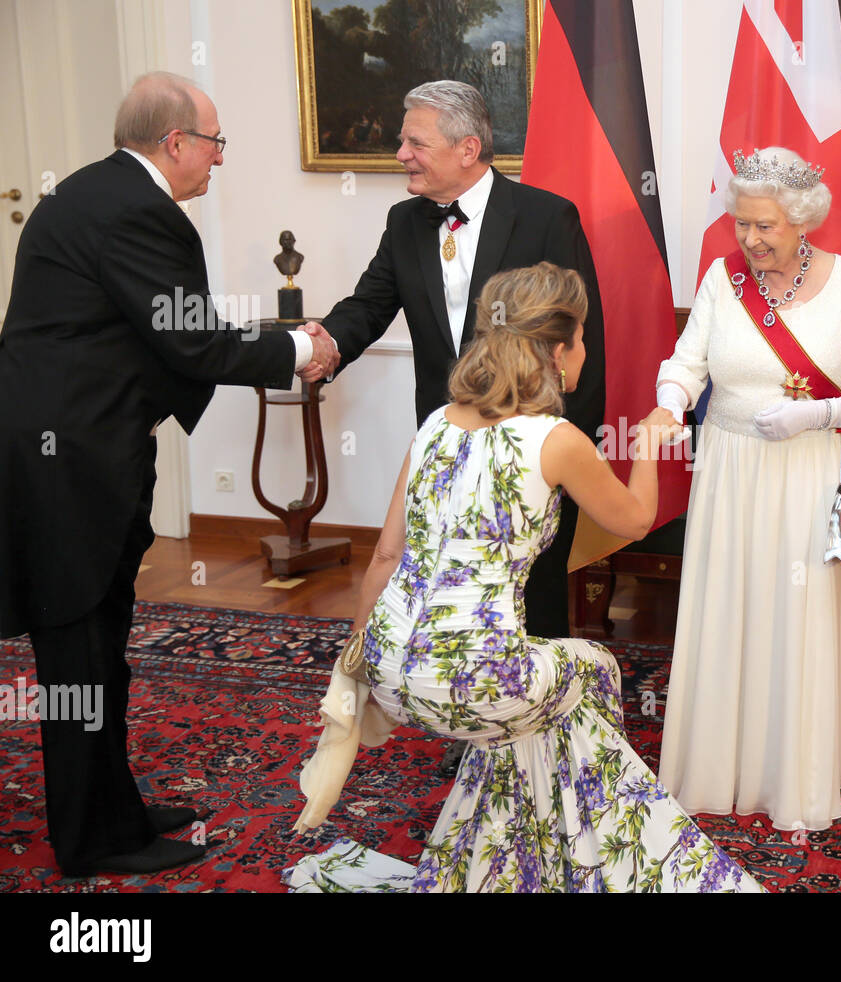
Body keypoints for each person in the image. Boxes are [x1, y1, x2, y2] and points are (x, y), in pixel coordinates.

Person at [286, 263, 761, 893]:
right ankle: (620, 865)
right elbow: (637, 518)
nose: (586, 350)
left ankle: (504, 859)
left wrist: (356, 662)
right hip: (472, 685)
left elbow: (382, 559)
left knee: (539, 711)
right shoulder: (556, 439)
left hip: (391, 671)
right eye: (583, 337)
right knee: (594, 668)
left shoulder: (435, 422)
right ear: (559, 352)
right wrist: (648, 443)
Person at [0, 71, 340, 877]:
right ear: (176, 142)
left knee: (102, 646)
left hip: (80, 448)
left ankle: (114, 811)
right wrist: (298, 347)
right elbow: (190, 343)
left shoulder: (99, 194)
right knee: (79, 658)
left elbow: (162, 336)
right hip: (68, 464)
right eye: (217, 143)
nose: (221, 159)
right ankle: (92, 842)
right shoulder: (136, 211)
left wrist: (276, 341)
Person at [307, 80, 604, 776]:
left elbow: (578, 343)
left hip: (529, 448)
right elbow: (368, 304)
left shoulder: (546, 216)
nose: (401, 153)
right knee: (450, 580)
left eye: (415, 142)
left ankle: (538, 744)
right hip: (446, 440)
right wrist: (320, 348)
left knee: (530, 582)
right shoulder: (404, 221)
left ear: (468, 148)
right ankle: (470, 729)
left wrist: (569, 452)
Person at [654, 148, 841, 833]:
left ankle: (793, 773)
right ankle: (717, 766)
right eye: (742, 225)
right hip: (730, 475)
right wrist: (670, 404)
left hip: (813, 476)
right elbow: (688, 361)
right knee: (728, 608)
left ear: (802, 222)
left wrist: (821, 414)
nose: (751, 239)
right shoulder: (721, 278)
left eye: (765, 226)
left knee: (800, 618)